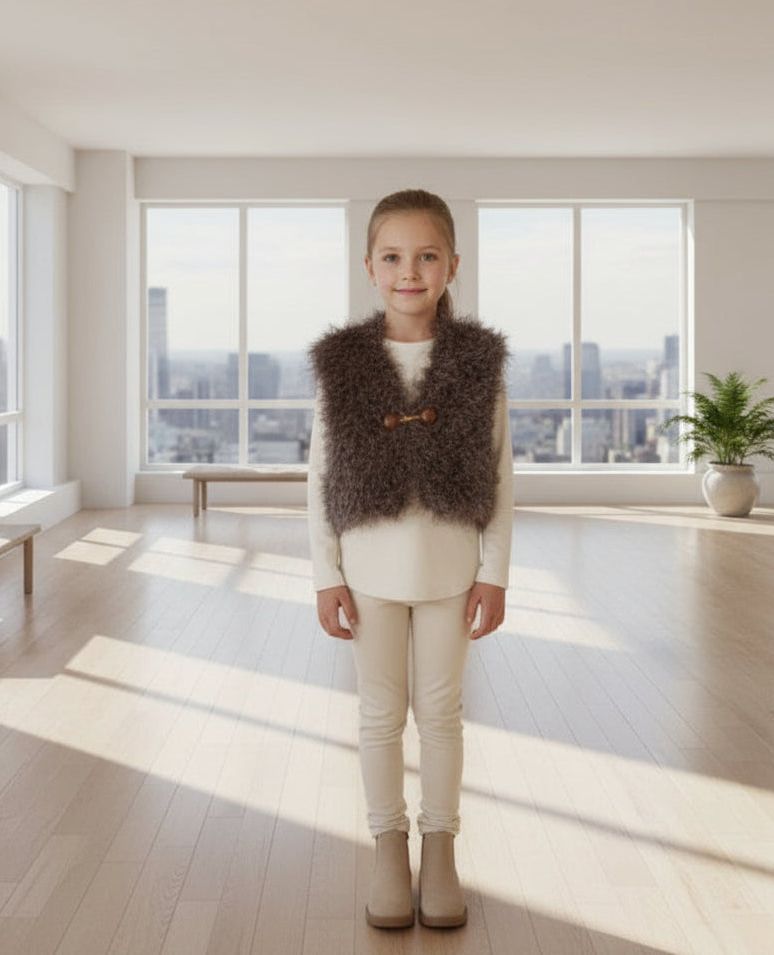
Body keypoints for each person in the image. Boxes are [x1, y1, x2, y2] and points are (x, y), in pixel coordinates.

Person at [308, 189, 513, 930]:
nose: (409, 270)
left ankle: (440, 848)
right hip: (366, 573)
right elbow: (319, 475)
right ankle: (387, 848)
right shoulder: (342, 363)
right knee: (377, 714)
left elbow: (499, 473)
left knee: (440, 714)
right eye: (393, 256)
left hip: (451, 570)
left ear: (452, 265)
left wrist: (493, 569)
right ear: (369, 266)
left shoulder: (477, 361)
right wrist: (326, 573)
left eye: (427, 256)